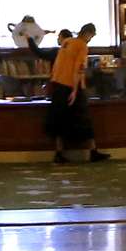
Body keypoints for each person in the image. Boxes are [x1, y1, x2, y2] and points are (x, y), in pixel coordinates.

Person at [47, 20, 95, 159]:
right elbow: (78, 69)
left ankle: (59, 152)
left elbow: (58, 64)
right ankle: (92, 151)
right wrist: (75, 90)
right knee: (84, 119)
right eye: (91, 36)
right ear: (88, 34)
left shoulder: (67, 42)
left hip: (57, 83)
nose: (90, 39)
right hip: (71, 85)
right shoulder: (82, 46)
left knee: (58, 120)